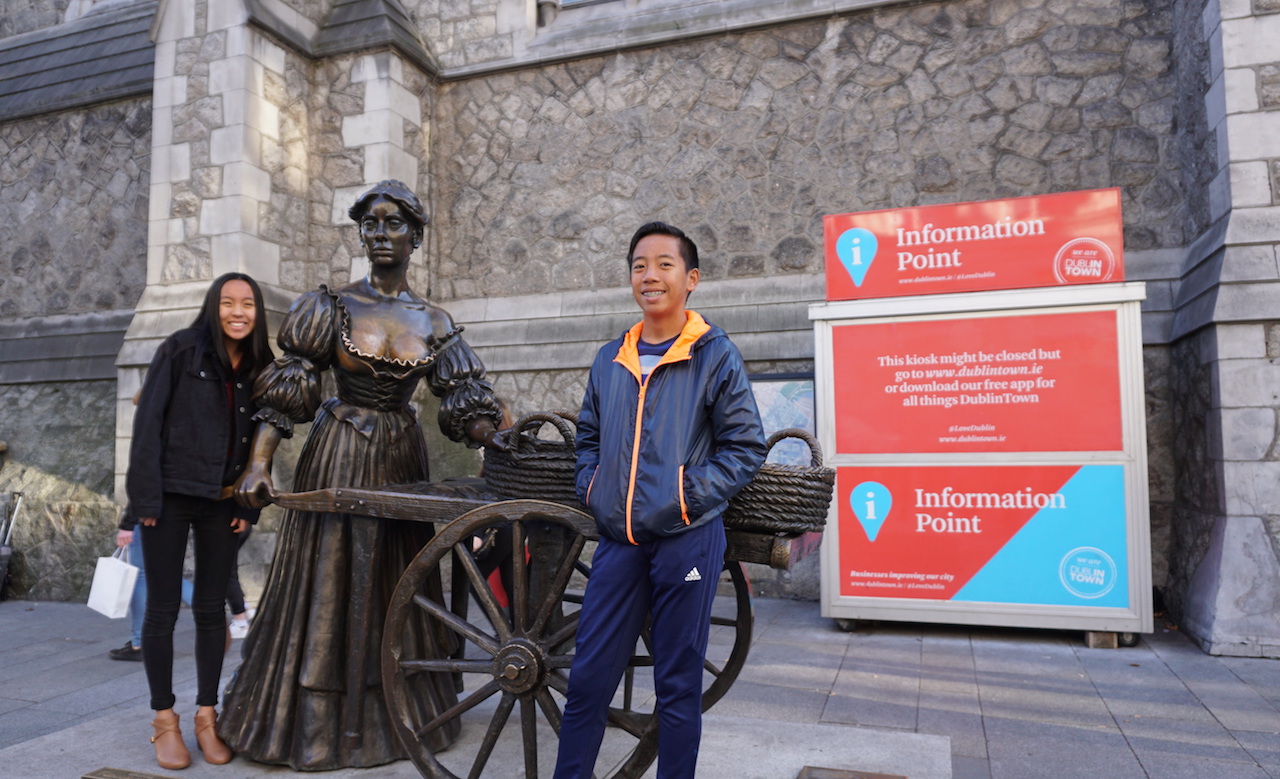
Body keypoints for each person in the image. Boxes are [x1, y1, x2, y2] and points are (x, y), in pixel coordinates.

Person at [219, 180, 506, 770]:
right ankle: (318, 726)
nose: (380, 233)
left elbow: (465, 402)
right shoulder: (329, 304)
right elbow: (290, 389)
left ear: (416, 237)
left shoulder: (434, 319)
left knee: (397, 582)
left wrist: (495, 439)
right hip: (342, 451)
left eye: (393, 223)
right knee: (329, 582)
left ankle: (396, 716)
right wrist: (258, 462)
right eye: (370, 223)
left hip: (401, 458)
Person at [553, 222, 767, 779]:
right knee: (588, 680)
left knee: (676, 686)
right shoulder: (611, 359)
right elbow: (589, 438)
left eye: (664, 264)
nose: (650, 275)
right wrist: (595, 489)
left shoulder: (714, 355)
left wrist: (682, 498)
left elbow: (745, 448)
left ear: (691, 279)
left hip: (687, 540)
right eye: (639, 265)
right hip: (619, 542)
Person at [126, 272, 273, 769]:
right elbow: (147, 424)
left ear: (257, 312)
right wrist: (143, 500)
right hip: (167, 497)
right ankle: (164, 720)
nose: (238, 312)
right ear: (214, 307)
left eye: (247, 304)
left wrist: (247, 507)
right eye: (228, 302)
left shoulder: (261, 366)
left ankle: (206, 717)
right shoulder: (180, 350)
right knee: (163, 610)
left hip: (222, 501)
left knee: (212, 610)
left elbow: (261, 445)